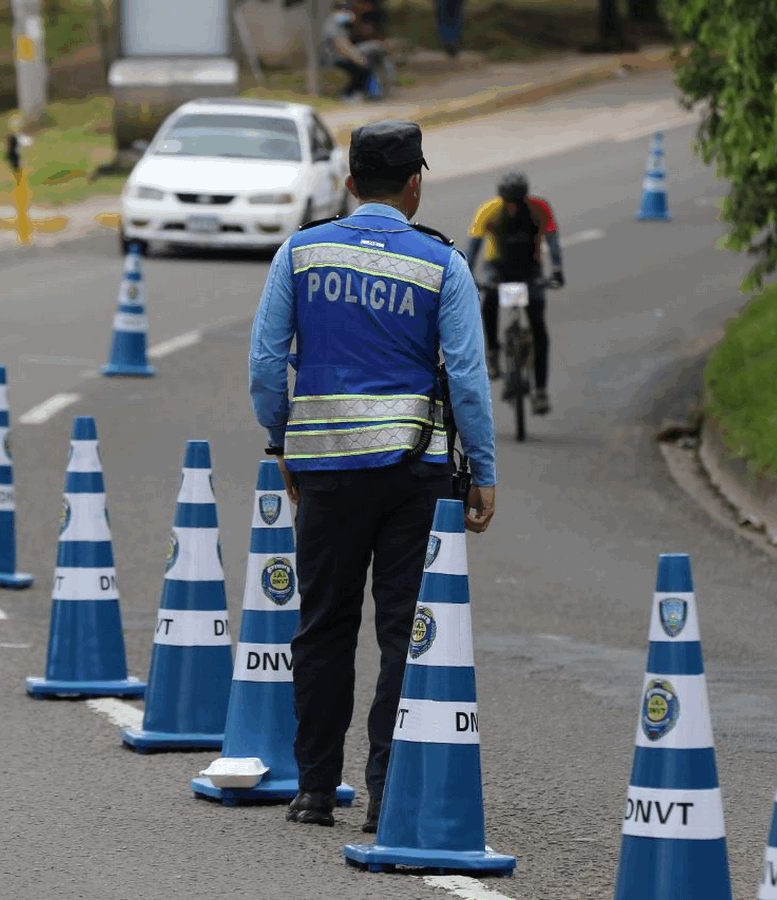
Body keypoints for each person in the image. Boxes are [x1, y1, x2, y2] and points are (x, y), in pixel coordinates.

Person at [248, 119, 497, 832]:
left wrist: (282, 442)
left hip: (323, 468)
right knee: (401, 632)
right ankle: (386, 793)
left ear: (351, 184)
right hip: (413, 473)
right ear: (414, 183)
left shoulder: (298, 253)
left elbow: (268, 365)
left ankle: (315, 791)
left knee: (322, 627)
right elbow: (470, 382)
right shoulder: (441, 264)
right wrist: (482, 468)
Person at [466, 170, 565, 415]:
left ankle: (540, 390)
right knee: (488, 302)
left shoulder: (539, 208)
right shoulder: (489, 210)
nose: (513, 207)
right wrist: (468, 274)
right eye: (509, 202)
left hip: (529, 269)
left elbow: (552, 240)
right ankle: (492, 352)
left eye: (517, 202)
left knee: (538, 328)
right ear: (502, 199)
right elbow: (474, 246)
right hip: (498, 268)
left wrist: (557, 269)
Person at [321, 1, 373, 103]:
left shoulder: (339, 26)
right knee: (361, 70)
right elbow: (342, 47)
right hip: (336, 59)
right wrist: (358, 59)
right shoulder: (333, 27)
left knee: (365, 67)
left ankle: (358, 94)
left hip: (341, 57)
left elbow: (346, 45)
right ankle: (349, 96)